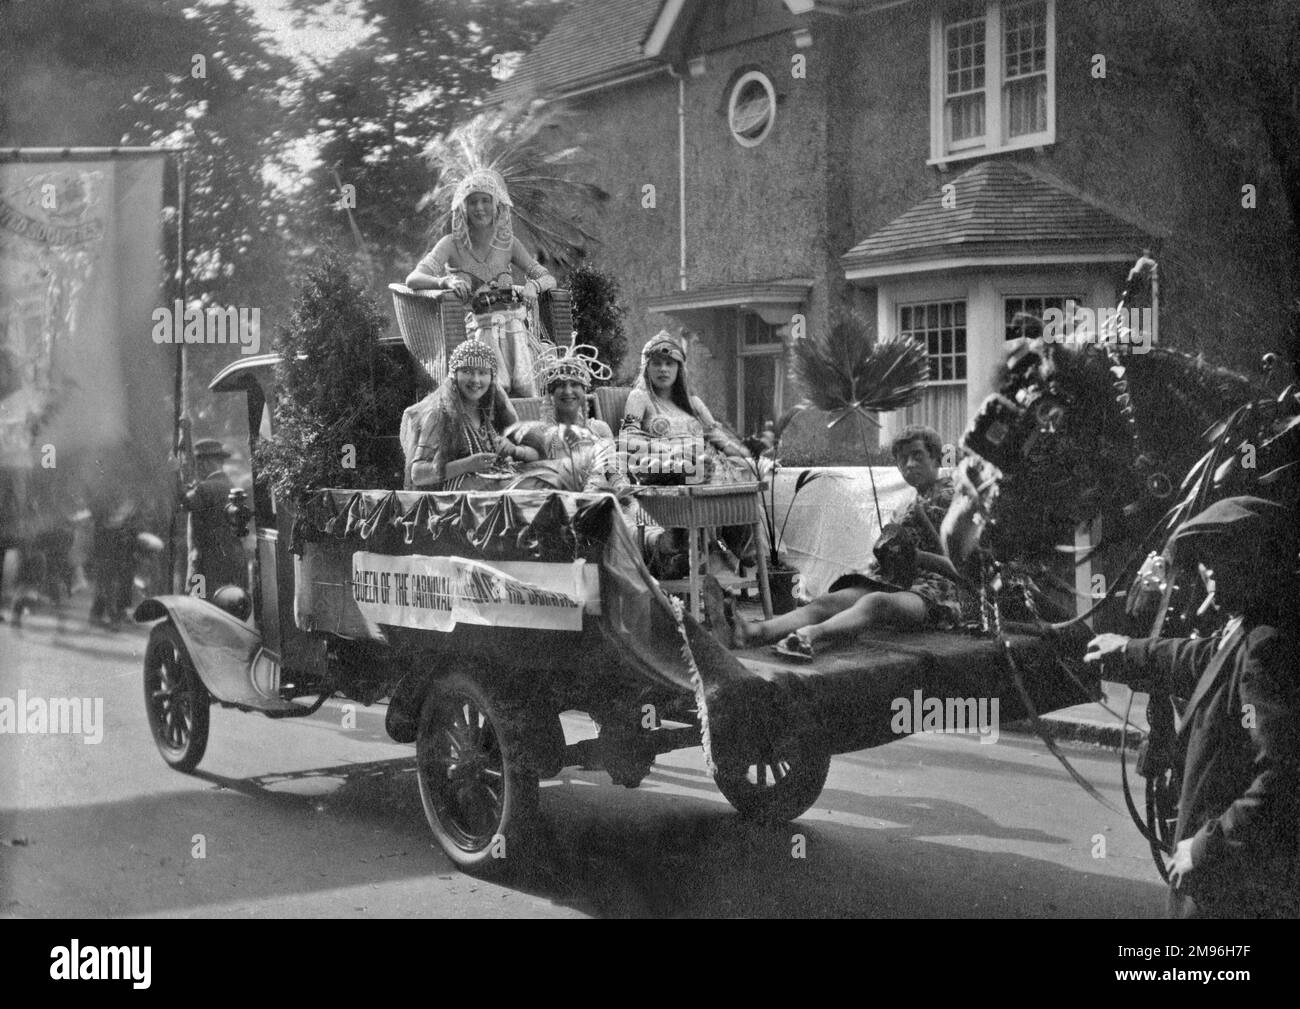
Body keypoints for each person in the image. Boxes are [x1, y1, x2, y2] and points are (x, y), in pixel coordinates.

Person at [1085, 496, 1299, 918]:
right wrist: (1128, 649)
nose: (1212, 570)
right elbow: (1199, 658)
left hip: (1235, 882)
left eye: (1230, 555)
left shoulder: (1267, 645)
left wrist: (1206, 848)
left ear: (1263, 560)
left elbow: (1286, 773)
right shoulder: (1253, 625)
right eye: (1206, 558)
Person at [732, 424, 971, 659]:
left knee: (875, 602)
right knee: (828, 601)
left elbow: (959, 568)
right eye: (902, 459)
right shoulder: (908, 504)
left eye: (917, 455)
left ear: (936, 458)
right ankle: (755, 631)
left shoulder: (954, 498)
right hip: (897, 581)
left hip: (938, 593)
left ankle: (808, 635)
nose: (909, 465)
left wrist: (916, 557)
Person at [405, 167, 556, 397]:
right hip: (469, 334)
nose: (479, 208)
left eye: (485, 200)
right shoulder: (450, 244)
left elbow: (547, 278)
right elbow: (413, 279)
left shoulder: (509, 244)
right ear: (463, 208)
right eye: (473, 202)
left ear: (497, 205)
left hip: (511, 333)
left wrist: (533, 286)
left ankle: (524, 400)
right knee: (493, 332)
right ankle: (496, 393)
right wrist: (444, 282)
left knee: (516, 329)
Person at [406, 338, 538, 491]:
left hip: (496, 487)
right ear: (454, 375)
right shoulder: (438, 414)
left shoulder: (492, 409)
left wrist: (513, 450)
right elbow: (417, 475)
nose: (475, 380)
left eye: (482, 373)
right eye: (467, 371)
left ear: (492, 378)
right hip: (460, 501)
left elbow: (535, 453)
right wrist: (467, 464)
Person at [506, 343, 630, 495]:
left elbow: (615, 473)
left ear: (584, 391)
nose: (568, 391)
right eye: (561, 385)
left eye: (574, 384)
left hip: (598, 499)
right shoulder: (540, 433)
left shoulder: (599, 429)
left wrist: (621, 487)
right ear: (551, 394)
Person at [181, 439, 246, 597]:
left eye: (198, 464)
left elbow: (183, 503)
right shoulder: (229, 485)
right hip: (230, 562)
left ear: (206, 463)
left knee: (199, 606)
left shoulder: (205, 489)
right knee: (226, 607)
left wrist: (176, 471)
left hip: (204, 566)